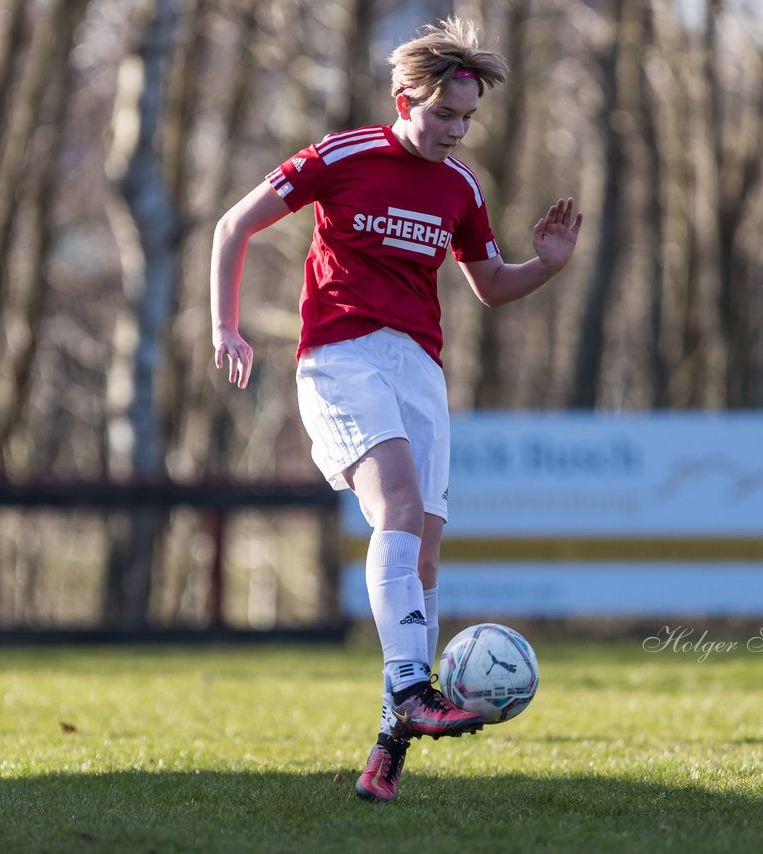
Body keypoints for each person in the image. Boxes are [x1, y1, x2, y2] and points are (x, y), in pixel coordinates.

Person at [208, 17, 582, 803]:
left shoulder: (462, 190)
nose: (456, 130)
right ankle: (414, 688)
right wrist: (226, 325)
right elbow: (233, 224)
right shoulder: (343, 156)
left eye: (468, 118)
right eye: (444, 113)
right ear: (404, 99)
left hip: (419, 370)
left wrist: (543, 267)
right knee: (399, 509)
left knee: (424, 556)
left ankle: (388, 752)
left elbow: (489, 286)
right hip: (341, 357)